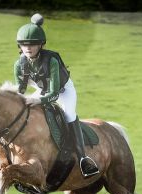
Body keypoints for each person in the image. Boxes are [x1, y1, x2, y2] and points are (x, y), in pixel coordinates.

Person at [14, 13, 99, 178]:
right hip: (42, 89)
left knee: (69, 115)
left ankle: (83, 158)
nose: (28, 48)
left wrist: (36, 99)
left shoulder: (51, 60)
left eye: (32, 44)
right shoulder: (19, 64)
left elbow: (53, 93)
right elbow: (21, 88)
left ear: (41, 45)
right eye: (24, 44)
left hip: (62, 90)